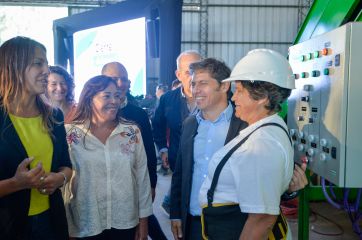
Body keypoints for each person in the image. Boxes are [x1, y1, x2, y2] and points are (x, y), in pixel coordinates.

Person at [170, 57, 308, 240]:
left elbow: (264, 197)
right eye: (193, 84)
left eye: (203, 83)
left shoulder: (250, 125)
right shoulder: (189, 124)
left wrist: (290, 190)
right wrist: (176, 213)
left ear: (224, 86)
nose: (195, 90)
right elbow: (181, 173)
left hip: (237, 224)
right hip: (195, 220)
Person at [198, 49, 296, 239]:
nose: (234, 98)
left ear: (262, 97)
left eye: (240, 91)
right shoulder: (265, 130)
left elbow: (262, 218)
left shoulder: (261, 144)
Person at [0, 36, 72, 239]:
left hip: (51, 222)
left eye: (47, 63)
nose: (47, 70)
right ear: (12, 66)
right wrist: (16, 183)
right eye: (38, 63)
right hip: (8, 226)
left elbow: (66, 165)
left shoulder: (54, 116)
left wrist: (59, 178)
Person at [64, 75, 152, 239]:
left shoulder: (131, 132)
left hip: (125, 221)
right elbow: (65, 185)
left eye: (117, 96)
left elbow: (142, 179)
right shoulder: (70, 134)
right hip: (85, 223)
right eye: (107, 96)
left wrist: (144, 220)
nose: (114, 101)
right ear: (90, 99)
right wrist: (67, 225)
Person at [101, 62, 167, 240]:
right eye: (115, 79)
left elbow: (148, 153)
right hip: (105, 191)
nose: (120, 83)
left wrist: (152, 184)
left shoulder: (138, 114)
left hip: (134, 185)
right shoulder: (91, 113)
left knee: (143, 222)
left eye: (124, 79)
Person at [153, 50, 202, 215]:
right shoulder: (167, 99)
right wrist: (162, 148)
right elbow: (157, 125)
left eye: (198, 70)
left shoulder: (214, 97)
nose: (194, 77)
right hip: (178, 161)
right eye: (189, 72)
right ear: (179, 74)